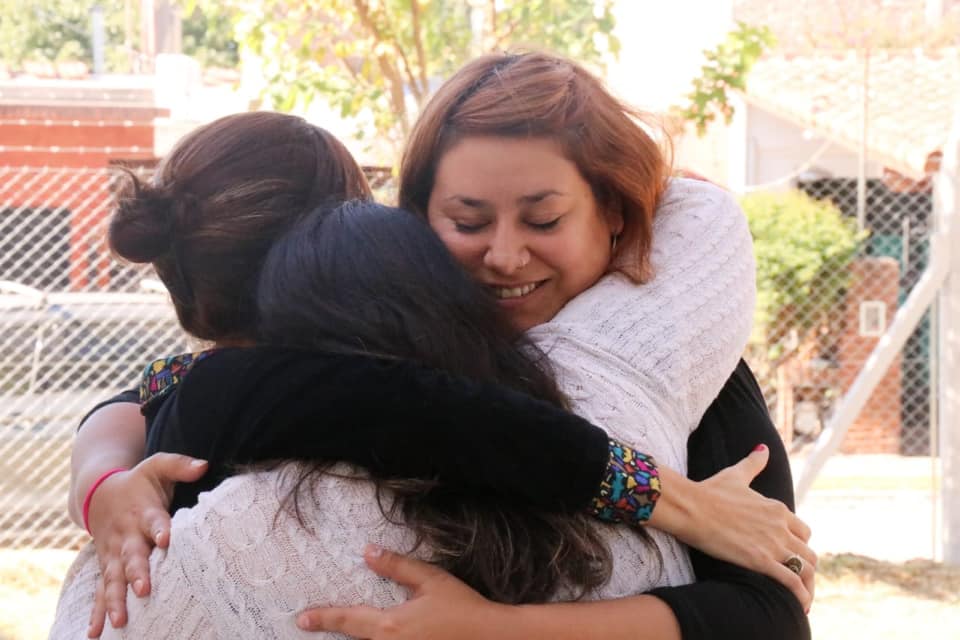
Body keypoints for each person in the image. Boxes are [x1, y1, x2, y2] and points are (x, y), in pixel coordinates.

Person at [57, 51, 813, 639]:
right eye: (468, 220)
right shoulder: (383, 350)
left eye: (544, 220)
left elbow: (767, 616)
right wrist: (103, 484)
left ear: (614, 212)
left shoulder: (685, 354)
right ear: (414, 218)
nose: (506, 255)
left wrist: (503, 630)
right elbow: (191, 384)